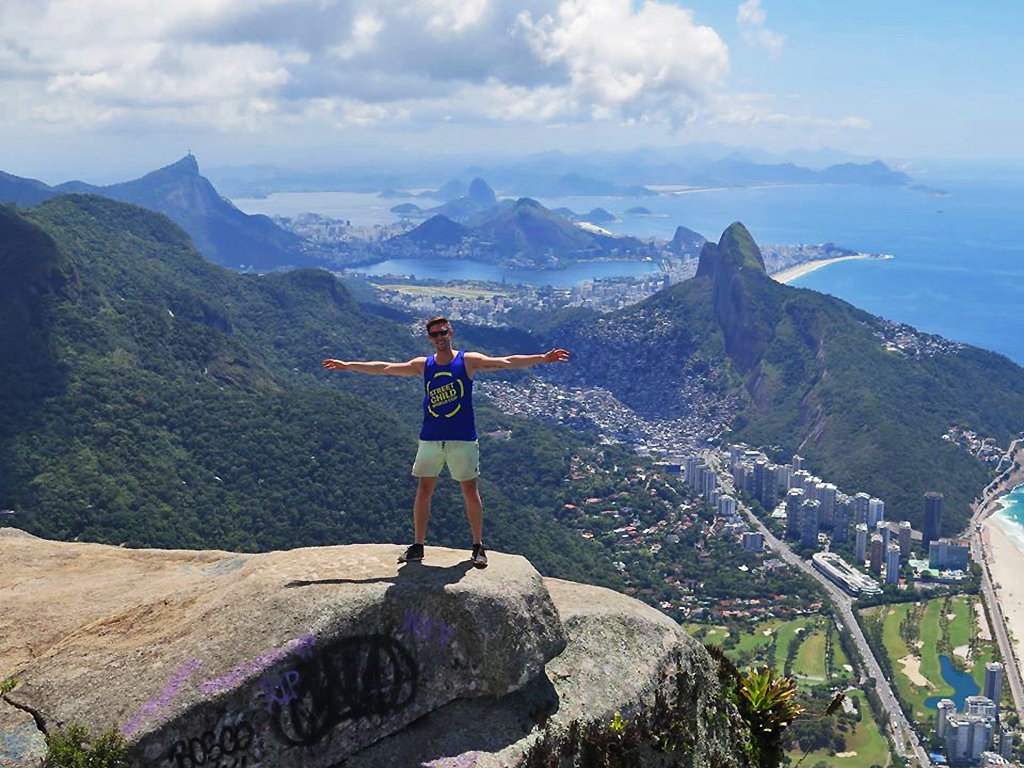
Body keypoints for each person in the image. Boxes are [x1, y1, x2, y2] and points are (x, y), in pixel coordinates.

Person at [322, 316, 570, 568]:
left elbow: (505, 362)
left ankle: (477, 546)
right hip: (430, 438)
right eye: (435, 334)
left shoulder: (467, 361)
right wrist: (349, 365)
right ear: (429, 338)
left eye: (443, 332)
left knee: (470, 492)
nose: (440, 338)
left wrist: (542, 357)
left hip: (462, 438)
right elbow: (386, 368)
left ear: (451, 332)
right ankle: (418, 545)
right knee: (423, 491)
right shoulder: (424, 365)